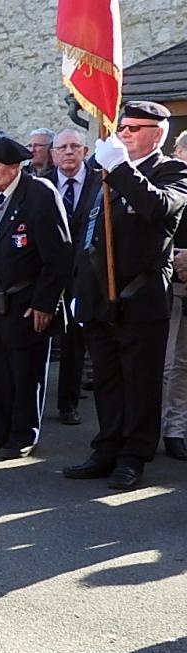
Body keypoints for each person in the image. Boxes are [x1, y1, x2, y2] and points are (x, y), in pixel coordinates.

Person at [64, 101, 187, 489]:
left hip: (140, 294)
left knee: (140, 382)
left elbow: (157, 208)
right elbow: (87, 232)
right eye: (123, 127)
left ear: (158, 134)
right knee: (106, 379)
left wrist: (120, 168)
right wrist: (80, 288)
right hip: (99, 294)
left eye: (135, 128)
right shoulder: (103, 169)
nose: (125, 133)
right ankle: (107, 447)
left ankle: (133, 456)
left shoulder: (172, 171)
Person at [0, 135, 70, 458]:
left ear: (14, 166)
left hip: (27, 302)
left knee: (26, 374)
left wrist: (45, 303)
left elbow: (59, 255)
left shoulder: (39, 195)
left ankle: (23, 435)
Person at [51, 126, 99, 427]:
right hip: (47, 273)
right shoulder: (42, 184)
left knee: (74, 342)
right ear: (53, 154)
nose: (69, 152)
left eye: (74, 146)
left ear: (85, 151)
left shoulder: (100, 183)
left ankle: (68, 404)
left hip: (85, 275)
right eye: (63, 148)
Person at [164, 130, 187, 461]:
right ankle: (172, 429)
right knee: (173, 363)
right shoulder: (167, 182)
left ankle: (177, 427)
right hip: (171, 286)